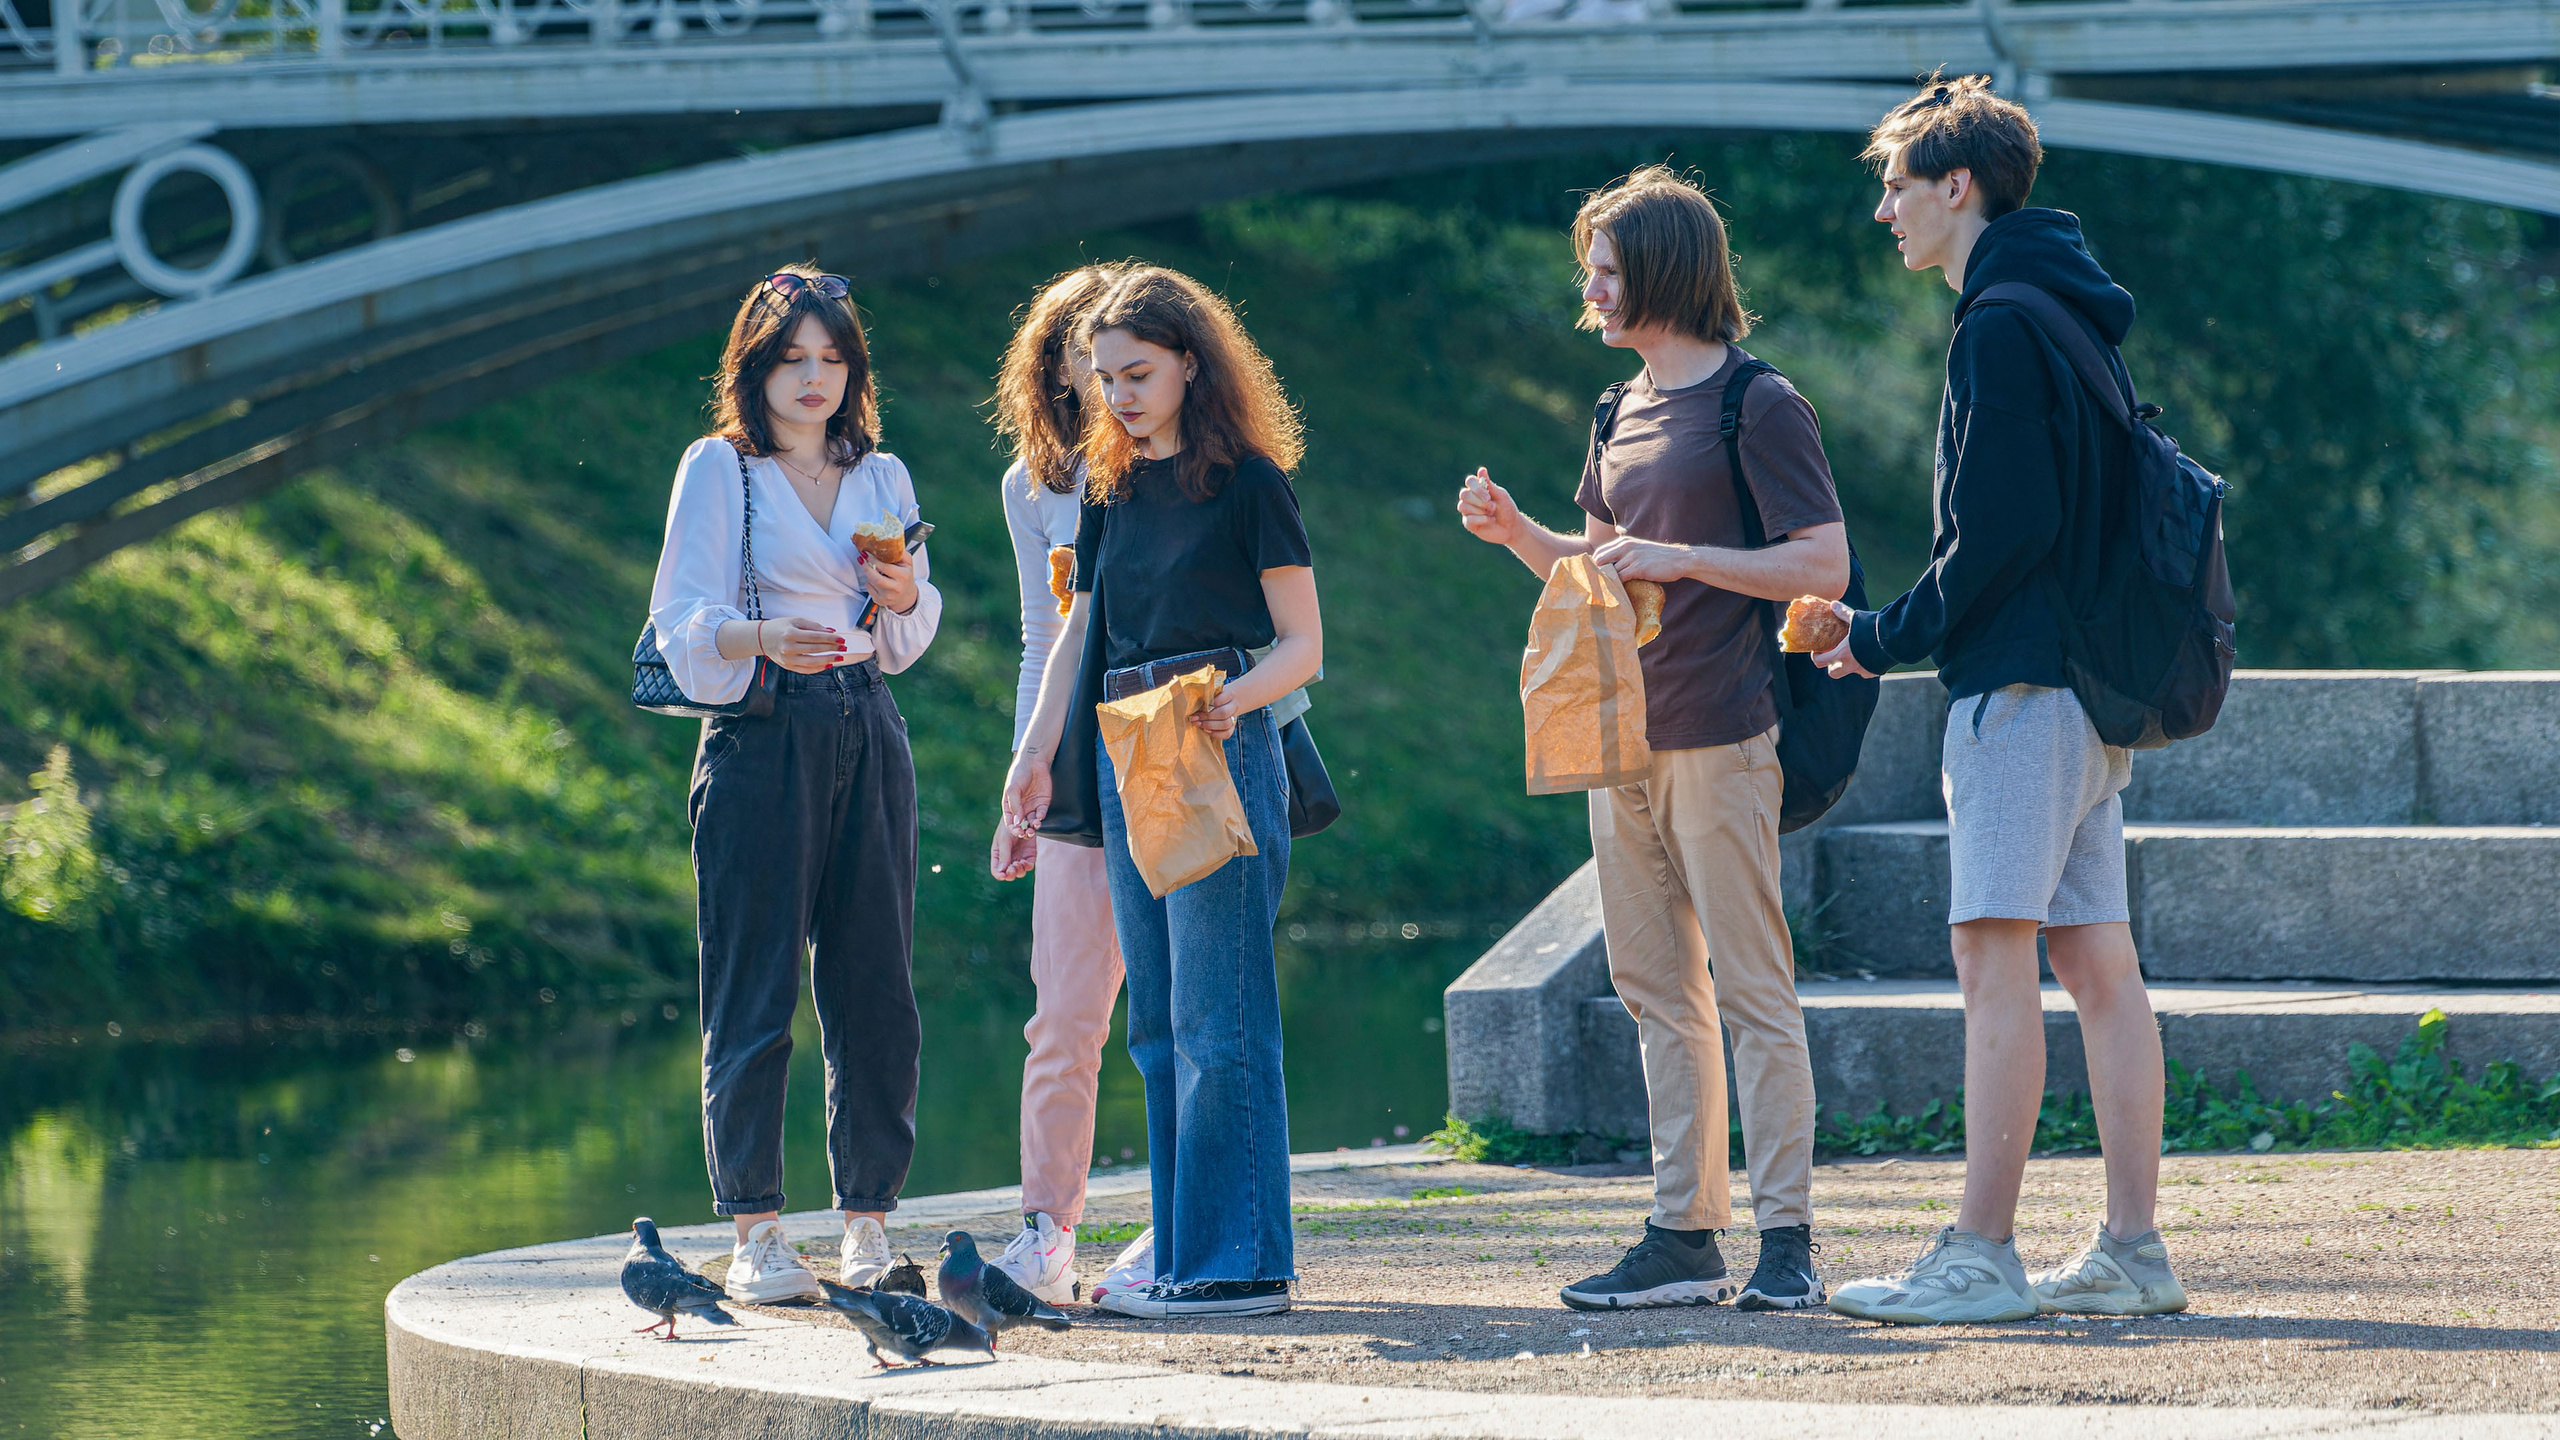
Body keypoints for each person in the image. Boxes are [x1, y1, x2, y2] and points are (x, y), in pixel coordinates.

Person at [1812, 77, 2187, 1324]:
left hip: (2020, 694)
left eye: (1897, 186)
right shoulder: (2067, 309)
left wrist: (1880, 637)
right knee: (2097, 966)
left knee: (1991, 961)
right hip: (2085, 695)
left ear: (1954, 184)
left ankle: (1980, 1252)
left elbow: (1998, 531)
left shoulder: (1996, 325)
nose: (1885, 211)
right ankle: (2131, 1251)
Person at [1455, 167, 1850, 1312]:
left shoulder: (1757, 405)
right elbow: (1595, 585)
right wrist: (1519, 533)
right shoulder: (1613, 410)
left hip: (1724, 735)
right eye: (1591, 264)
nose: (1589, 284)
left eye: (1607, 266)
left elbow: (1819, 562)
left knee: (1751, 986)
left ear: (1665, 272)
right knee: (1653, 991)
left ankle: (1787, 1237)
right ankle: (1684, 1232)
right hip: (1622, 740)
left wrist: (1687, 559)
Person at [995, 265, 1318, 1320]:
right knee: (1158, 1028)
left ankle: (1242, 1266)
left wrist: (1235, 701)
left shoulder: (1250, 484)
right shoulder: (1108, 485)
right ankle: (1185, 1256)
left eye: (1137, 373)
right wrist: (1035, 755)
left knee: (1219, 1018)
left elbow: (1302, 648)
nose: (1118, 396)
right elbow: (1079, 631)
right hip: (1123, 749)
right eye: (1103, 379)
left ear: (1190, 359)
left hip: (1216, 745)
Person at [646, 264, 942, 1304]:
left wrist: (905, 593)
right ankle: (757, 1233)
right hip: (763, 725)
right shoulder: (720, 468)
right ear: (754, 367)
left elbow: (903, 639)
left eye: (831, 359)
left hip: (869, 718)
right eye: (789, 359)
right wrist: (762, 633)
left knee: (876, 984)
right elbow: (680, 623)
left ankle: (867, 1223)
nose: (812, 379)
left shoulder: (882, 477)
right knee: (754, 982)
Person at [982, 262, 1157, 1306]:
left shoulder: (1174, 465)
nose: (1098, 382)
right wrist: (1025, 777)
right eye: (1076, 359)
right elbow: (1038, 637)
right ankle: (1045, 1234)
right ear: (1051, 368)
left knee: (1181, 1017)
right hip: (1076, 775)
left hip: (1177, 758)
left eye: (1118, 362)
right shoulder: (1031, 487)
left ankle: (1187, 1226)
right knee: (1064, 1020)